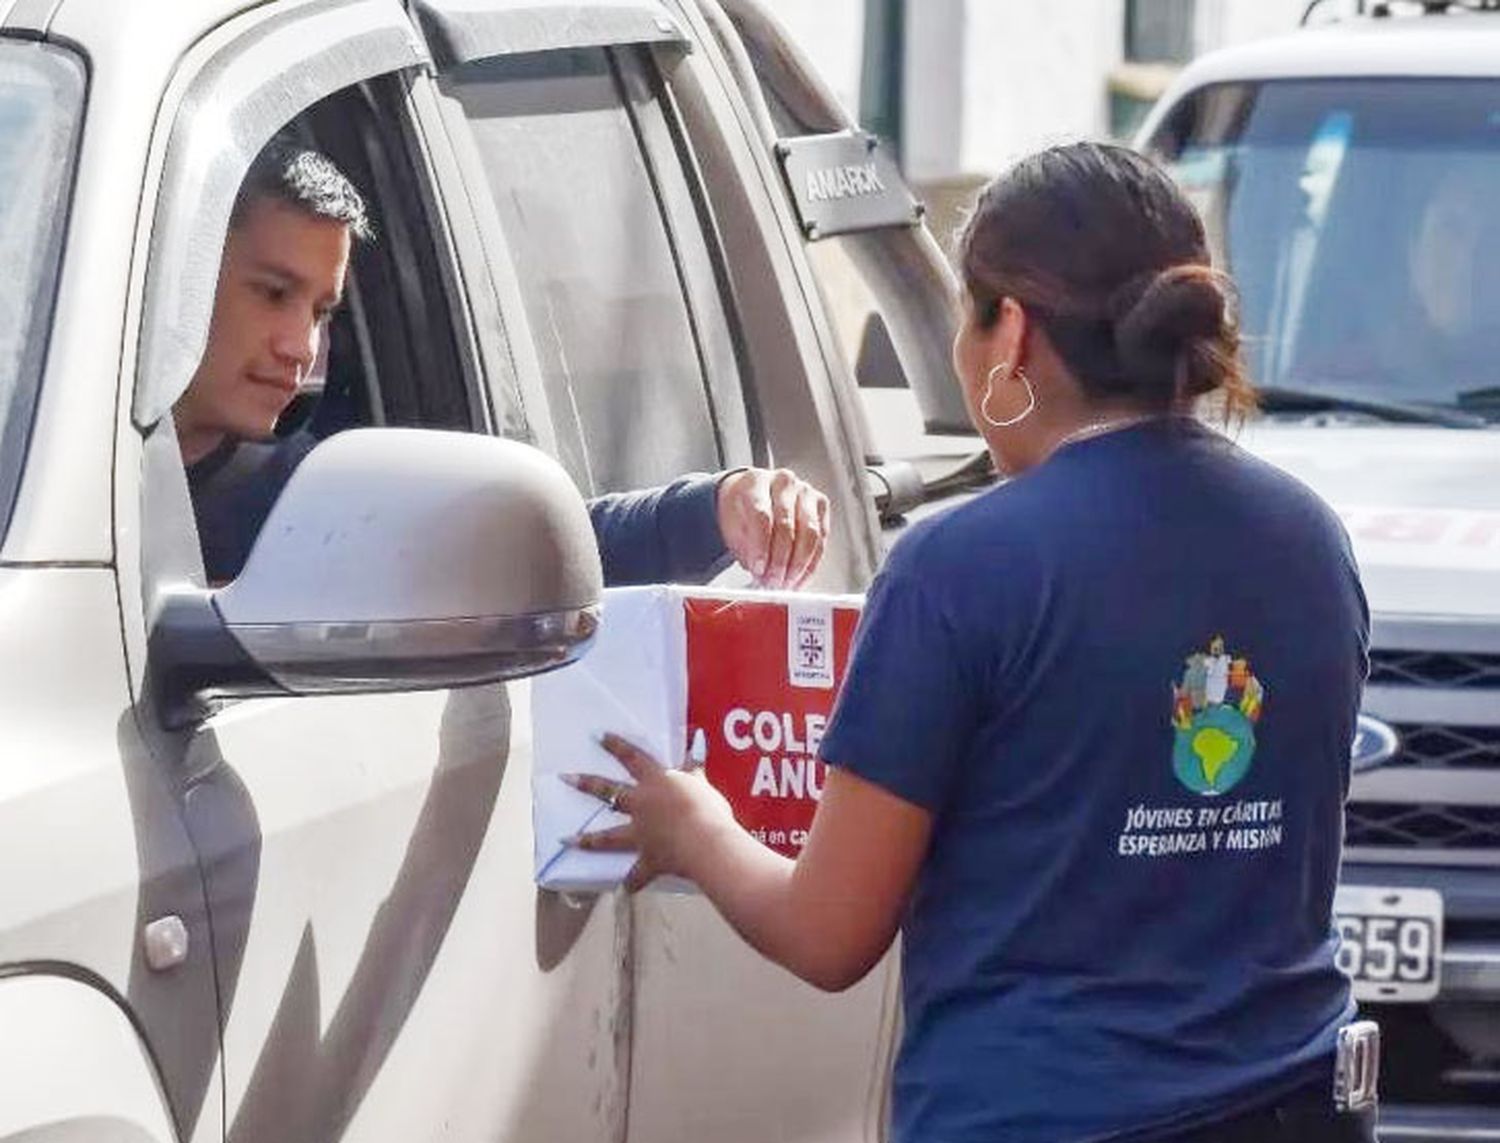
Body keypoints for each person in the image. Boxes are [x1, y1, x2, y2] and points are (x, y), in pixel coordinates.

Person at [566, 142, 1373, 1142]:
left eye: (966, 315)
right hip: (1295, 1101)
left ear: (1014, 335)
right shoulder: (1309, 539)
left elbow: (828, 932)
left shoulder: (965, 566)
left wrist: (692, 827)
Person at [174, 139, 830, 589]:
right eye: (273, 293)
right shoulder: (75, 472)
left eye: (321, 312)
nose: (301, 346)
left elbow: (541, 549)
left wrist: (721, 506)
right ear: (181, 271)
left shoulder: (319, 503)